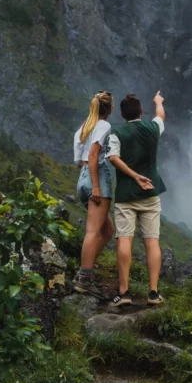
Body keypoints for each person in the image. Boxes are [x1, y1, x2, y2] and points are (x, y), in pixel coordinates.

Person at [106, 91, 166, 307]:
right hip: (150, 194)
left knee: (124, 239)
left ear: (122, 114)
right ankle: (153, 292)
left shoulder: (117, 132)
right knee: (152, 242)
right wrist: (158, 101)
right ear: (141, 112)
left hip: (126, 195)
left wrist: (133, 176)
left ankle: (124, 293)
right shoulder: (153, 128)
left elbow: (113, 158)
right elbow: (160, 115)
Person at [72, 91, 115, 298]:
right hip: (96, 176)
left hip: (83, 178)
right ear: (110, 109)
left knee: (107, 229)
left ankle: (84, 270)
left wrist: (89, 182)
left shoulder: (83, 128)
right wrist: (97, 186)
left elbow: (80, 161)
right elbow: (93, 155)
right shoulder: (103, 126)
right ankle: (85, 280)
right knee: (93, 232)